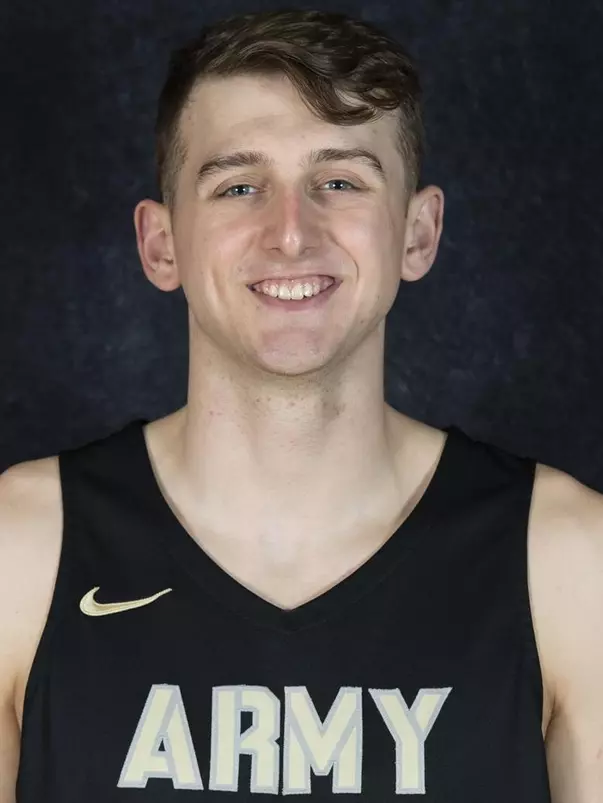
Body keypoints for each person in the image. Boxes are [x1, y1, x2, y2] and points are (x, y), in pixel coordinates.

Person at [0, 8, 601, 801]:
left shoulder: (566, 562)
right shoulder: (21, 553)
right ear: (161, 244)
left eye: (340, 181)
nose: (290, 232)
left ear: (417, 233)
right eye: (239, 185)